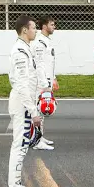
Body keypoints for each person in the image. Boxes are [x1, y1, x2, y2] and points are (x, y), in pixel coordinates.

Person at [6, 15, 44, 187]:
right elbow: (21, 84)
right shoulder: (20, 51)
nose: (35, 30)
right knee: (19, 146)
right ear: (24, 30)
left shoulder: (26, 48)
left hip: (26, 103)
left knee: (22, 145)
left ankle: (17, 184)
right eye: (33, 27)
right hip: (22, 104)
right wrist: (33, 110)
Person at [32, 17, 57, 150]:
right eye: (51, 24)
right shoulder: (40, 42)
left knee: (42, 111)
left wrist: (53, 78)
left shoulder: (47, 41)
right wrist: (45, 84)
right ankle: (36, 140)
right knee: (39, 109)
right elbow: (40, 65)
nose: (54, 27)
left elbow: (49, 63)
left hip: (47, 80)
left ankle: (40, 136)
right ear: (44, 26)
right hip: (41, 82)